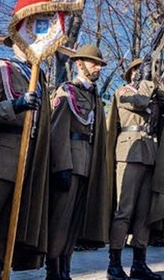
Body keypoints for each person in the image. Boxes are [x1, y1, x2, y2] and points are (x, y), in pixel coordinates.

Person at [0, 40, 50, 280]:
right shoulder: (1, 68)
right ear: (15, 43)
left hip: (25, 162)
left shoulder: (37, 76)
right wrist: (15, 105)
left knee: (4, 232)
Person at [47, 45, 113, 280]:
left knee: (74, 223)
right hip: (71, 163)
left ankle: (65, 268)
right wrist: (61, 166)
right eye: (93, 62)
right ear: (79, 64)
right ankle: (53, 271)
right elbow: (57, 131)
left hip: (88, 165)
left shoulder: (94, 97)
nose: (97, 67)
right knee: (60, 221)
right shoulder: (67, 91)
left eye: (99, 64)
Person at [106, 58, 163, 280]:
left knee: (144, 214)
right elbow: (140, 101)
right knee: (124, 211)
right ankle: (114, 263)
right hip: (129, 151)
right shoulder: (122, 91)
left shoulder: (151, 91)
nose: (147, 74)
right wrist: (145, 82)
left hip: (150, 153)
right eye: (142, 71)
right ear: (133, 74)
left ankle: (139, 262)